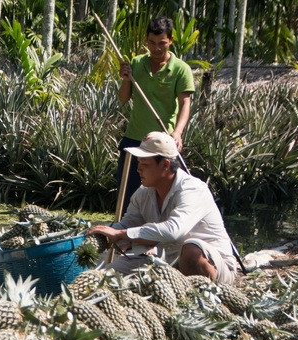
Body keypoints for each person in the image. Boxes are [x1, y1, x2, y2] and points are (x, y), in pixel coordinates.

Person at [88, 132, 237, 284]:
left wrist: (120, 233)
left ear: (165, 165)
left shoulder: (192, 189)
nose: (138, 169)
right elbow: (128, 224)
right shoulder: (143, 193)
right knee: (105, 278)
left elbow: (173, 231)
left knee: (192, 249)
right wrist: (103, 234)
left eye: (145, 164)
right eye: (138, 163)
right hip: (169, 262)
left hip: (216, 266)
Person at [117, 16, 195, 208]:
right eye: (152, 43)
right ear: (146, 40)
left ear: (171, 41)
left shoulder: (181, 69)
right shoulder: (136, 63)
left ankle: (159, 235)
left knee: (161, 198)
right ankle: (124, 236)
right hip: (134, 139)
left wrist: (177, 133)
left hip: (162, 142)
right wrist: (126, 79)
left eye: (162, 43)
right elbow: (123, 98)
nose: (156, 48)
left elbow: (185, 103)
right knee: (126, 197)